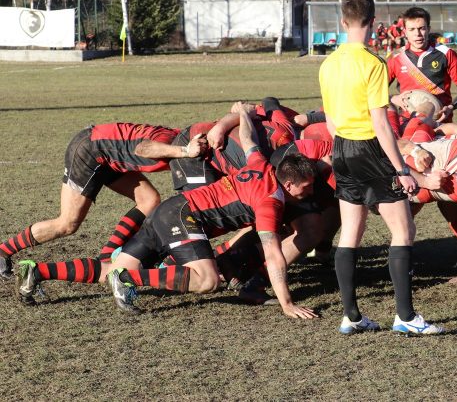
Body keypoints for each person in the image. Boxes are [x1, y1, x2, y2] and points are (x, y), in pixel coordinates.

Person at [17, 105, 319, 319]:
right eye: (306, 187)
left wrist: (242, 113)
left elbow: (250, 138)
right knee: (207, 280)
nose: (309, 193)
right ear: (288, 182)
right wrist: (287, 304)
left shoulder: (260, 164)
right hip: (182, 217)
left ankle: (38, 270)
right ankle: (129, 280)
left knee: (110, 270)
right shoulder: (270, 200)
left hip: (168, 212)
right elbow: (274, 254)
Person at [318, 0, 443, 335]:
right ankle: (405, 317)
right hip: (369, 149)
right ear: (374, 24)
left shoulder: (328, 64)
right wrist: (402, 170)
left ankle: (352, 316)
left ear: (343, 22)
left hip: (341, 148)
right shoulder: (373, 64)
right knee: (403, 229)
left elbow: (329, 119)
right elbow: (380, 124)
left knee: (351, 232)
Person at [0, 123, 208, 278]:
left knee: (149, 200)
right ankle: (3, 251)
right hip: (89, 152)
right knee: (67, 223)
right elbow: (142, 149)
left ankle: (106, 258)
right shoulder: (173, 144)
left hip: (107, 158)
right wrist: (185, 152)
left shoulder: (179, 139)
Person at [387, 7, 457, 123]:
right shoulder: (395, 57)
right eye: (412, 29)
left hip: (439, 123)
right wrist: (393, 98)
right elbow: (374, 91)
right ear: (405, 32)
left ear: (428, 29)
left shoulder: (446, 54)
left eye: (421, 28)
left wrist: (451, 107)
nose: (417, 34)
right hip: (407, 123)